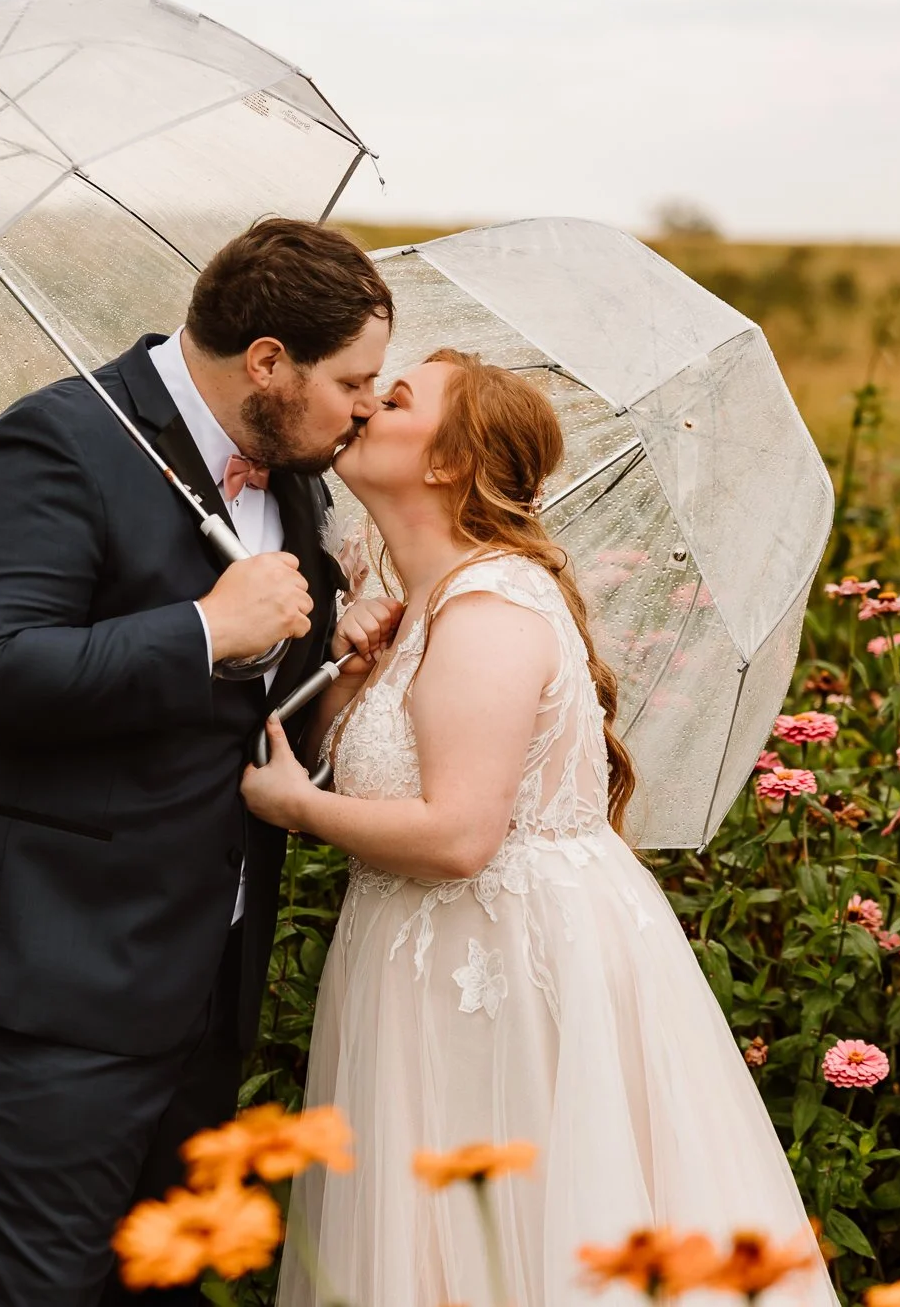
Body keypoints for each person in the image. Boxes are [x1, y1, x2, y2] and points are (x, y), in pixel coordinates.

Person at [0, 219, 394, 1307]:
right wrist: (199, 627)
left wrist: (331, 659)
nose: (367, 408)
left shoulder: (292, 469)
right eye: (353, 381)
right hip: (42, 983)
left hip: (201, 984)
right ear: (266, 363)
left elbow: (241, 703)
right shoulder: (53, 445)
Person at [243, 351, 839, 1307]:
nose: (363, 407)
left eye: (394, 399)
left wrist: (293, 808)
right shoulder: (428, 606)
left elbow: (458, 835)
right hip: (419, 962)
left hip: (510, 968)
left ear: (448, 461)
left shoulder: (490, 610)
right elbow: (376, 766)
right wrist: (354, 673)